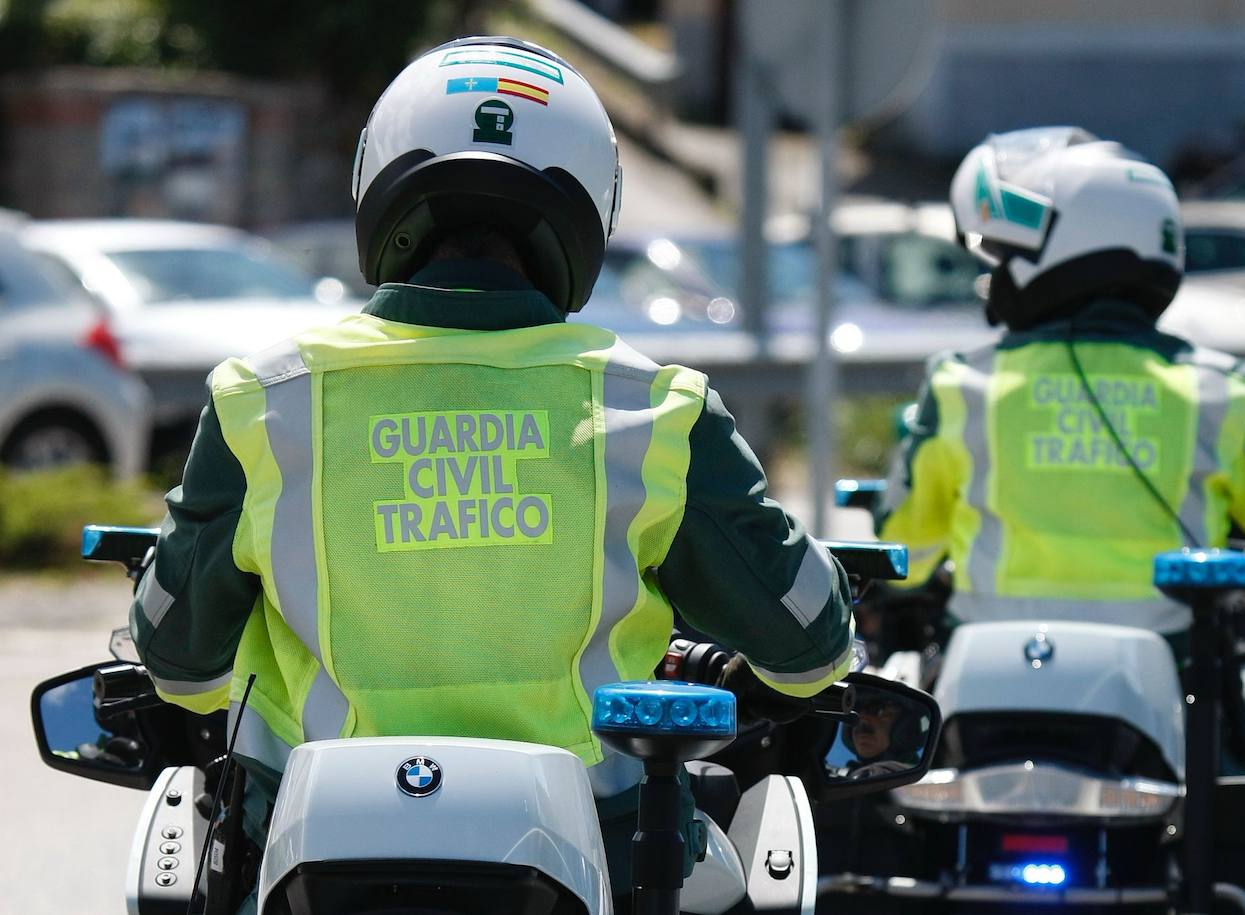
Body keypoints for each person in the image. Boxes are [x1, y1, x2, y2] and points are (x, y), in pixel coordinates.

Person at [128, 37, 853, 909]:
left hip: (310, 863)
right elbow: (809, 646)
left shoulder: (264, 400)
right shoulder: (656, 408)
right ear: (591, 207)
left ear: (378, 181)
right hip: (607, 855)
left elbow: (177, 664)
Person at [877, 127, 1245, 647]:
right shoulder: (1226, 394)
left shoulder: (963, 384)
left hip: (983, 687)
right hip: (1169, 696)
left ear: (1057, 249)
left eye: (1002, 254)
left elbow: (902, 559)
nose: (992, 280)